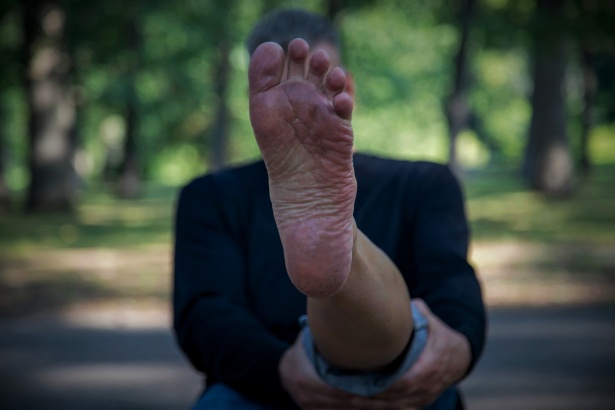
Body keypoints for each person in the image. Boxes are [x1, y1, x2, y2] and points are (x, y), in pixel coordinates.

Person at [173, 8, 486, 410]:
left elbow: (450, 284)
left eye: (314, 89)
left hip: (404, 374)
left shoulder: (424, 185)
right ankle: (340, 255)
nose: (298, 113)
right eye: (285, 98)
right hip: (273, 383)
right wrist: (282, 369)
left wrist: (457, 349)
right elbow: (205, 317)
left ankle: (340, 253)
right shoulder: (211, 197)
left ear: (348, 86)